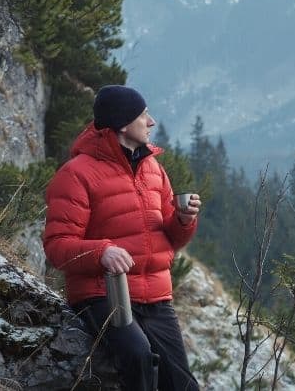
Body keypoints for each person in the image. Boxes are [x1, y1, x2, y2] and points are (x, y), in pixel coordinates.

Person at [43, 85, 201, 391]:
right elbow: (56, 246)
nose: (151, 122)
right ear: (123, 124)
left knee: (182, 385)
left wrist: (184, 220)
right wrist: (101, 252)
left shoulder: (153, 168)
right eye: (143, 115)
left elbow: (170, 237)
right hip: (103, 294)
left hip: (156, 296)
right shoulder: (76, 174)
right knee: (139, 359)